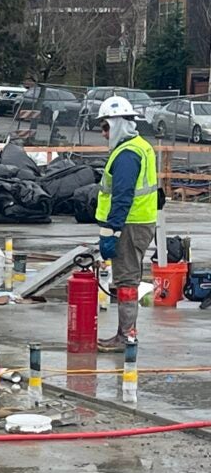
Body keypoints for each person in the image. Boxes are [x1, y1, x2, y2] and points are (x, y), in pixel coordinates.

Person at [94, 96, 158, 352]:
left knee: (126, 280)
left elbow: (122, 195)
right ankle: (126, 333)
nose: (103, 133)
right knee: (127, 278)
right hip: (137, 222)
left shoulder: (127, 154)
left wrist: (112, 230)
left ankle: (126, 336)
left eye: (105, 127)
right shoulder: (140, 146)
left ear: (117, 124)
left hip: (130, 224)